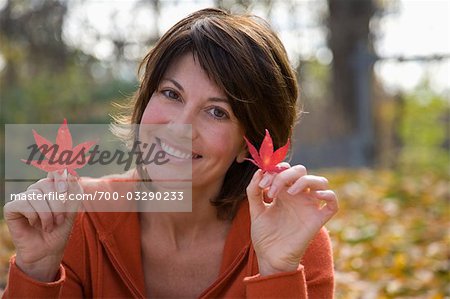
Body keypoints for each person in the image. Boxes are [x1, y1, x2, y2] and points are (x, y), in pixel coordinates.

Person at [3, 8, 338, 298]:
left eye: (217, 112)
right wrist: (37, 271)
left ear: (246, 144)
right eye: (171, 94)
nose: (181, 126)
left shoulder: (295, 237)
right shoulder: (78, 219)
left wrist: (277, 272)